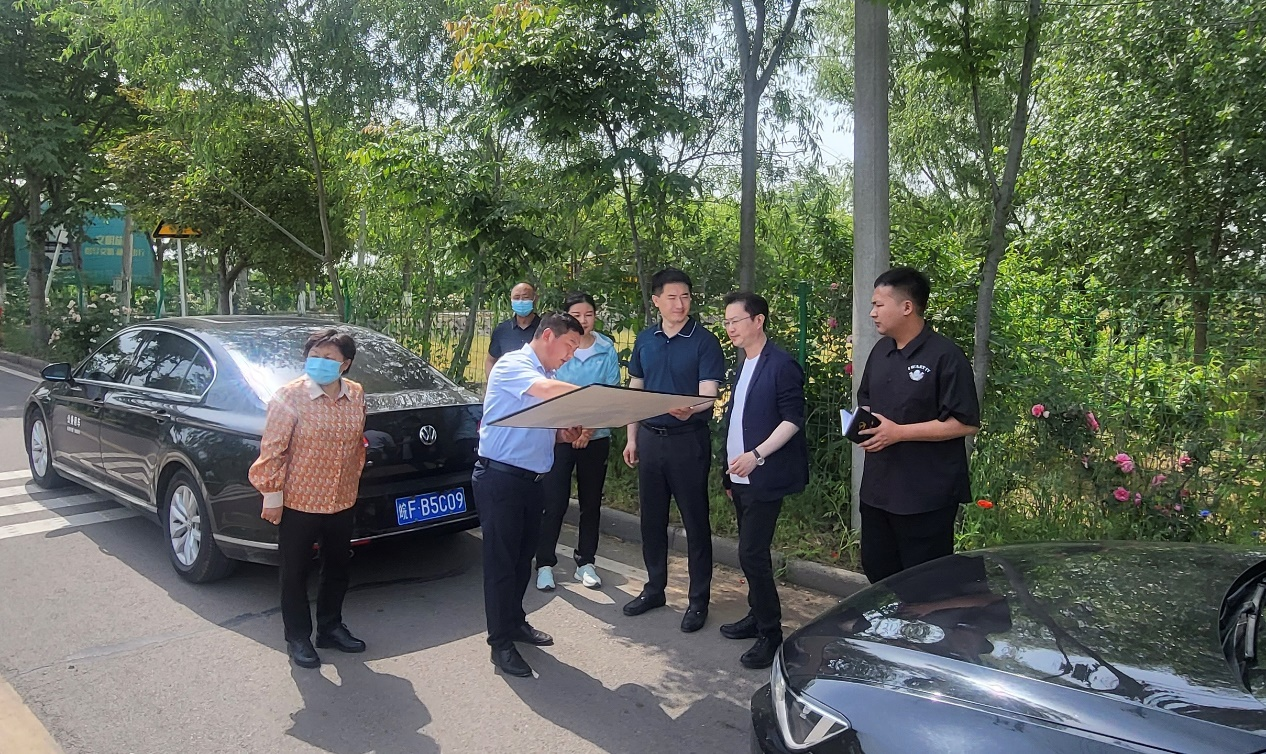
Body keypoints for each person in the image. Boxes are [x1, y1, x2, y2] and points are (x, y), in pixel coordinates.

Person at [249, 328, 369, 669]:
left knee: (338, 566)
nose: (320, 362)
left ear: (345, 364)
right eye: (314, 356)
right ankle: (298, 637)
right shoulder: (290, 396)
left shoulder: (355, 394)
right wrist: (272, 495)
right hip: (299, 499)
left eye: (329, 357)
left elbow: (357, 443)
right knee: (295, 571)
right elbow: (273, 450)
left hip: (341, 497)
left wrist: (352, 478)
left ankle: (331, 627)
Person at [476, 312, 586, 678]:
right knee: (501, 564)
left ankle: (515, 621)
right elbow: (548, 393)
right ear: (549, 335)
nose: (570, 355)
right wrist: (594, 399)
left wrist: (562, 434)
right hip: (501, 479)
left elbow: (542, 427)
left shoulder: (548, 376)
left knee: (523, 559)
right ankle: (499, 643)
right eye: (569, 345)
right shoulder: (514, 365)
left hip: (533, 481)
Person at [856, 267, 980, 583]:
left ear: (907, 307)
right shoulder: (880, 351)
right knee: (878, 573)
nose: (872, 313)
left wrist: (899, 433)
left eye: (879, 305)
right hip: (878, 491)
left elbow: (965, 423)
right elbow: (866, 399)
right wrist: (862, 426)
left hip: (925, 497)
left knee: (924, 585)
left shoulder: (946, 356)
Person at [622, 268, 725, 633]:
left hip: (687, 440)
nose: (680, 304)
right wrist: (632, 437)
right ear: (656, 301)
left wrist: (690, 407)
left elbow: (708, 394)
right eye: (672, 297)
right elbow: (636, 390)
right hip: (650, 438)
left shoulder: (704, 341)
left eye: (685, 297)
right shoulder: (645, 339)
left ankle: (698, 601)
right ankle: (654, 589)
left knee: (695, 522)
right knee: (651, 520)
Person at [717, 291, 808, 669]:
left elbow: (792, 420)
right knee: (750, 552)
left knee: (752, 554)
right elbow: (737, 419)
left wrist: (756, 456)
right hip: (740, 476)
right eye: (726, 322)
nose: (730, 328)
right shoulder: (744, 363)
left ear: (758, 321)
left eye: (735, 321)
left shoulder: (781, 365)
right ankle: (757, 615)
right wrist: (729, 472)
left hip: (763, 474)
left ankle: (771, 633)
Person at [536, 292, 622, 591]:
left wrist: (588, 431)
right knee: (554, 501)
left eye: (589, 314)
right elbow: (548, 390)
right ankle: (544, 563)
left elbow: (611, 394)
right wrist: (569, 429)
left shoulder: (606, 349)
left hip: (596, 438)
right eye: (577, 315)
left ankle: (586, 562)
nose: (584, 320)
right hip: (560, 436)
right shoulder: (559, 349)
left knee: (591, 503)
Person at [485, 281, 540, 379]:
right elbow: (491, 361)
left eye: (525, 297)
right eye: (516, 298)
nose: (521, 301)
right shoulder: (502, 330)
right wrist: (492, 382)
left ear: (535, 299)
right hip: (508, 385)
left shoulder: (545, 329)